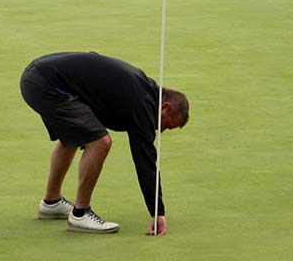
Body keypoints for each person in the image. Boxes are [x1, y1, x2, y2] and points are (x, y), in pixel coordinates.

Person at [19, 51, 189, 234]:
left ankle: (51, 203)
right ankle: (80, 214)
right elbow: (145, 160)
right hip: (47, 84)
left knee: (72, 139)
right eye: (166, 125)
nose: (160, 130)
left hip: (38, 77)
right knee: (100, 142)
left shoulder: (143, 94)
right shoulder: (142, 103)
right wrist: (157, 212)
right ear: (165, 106)